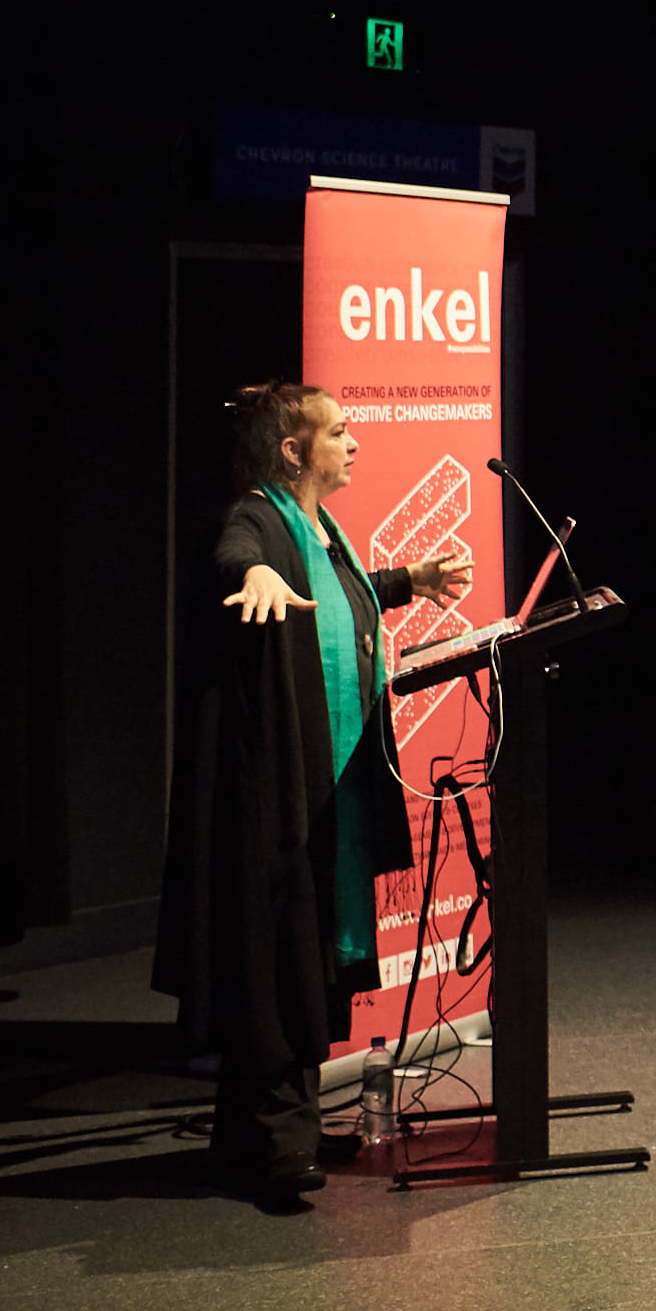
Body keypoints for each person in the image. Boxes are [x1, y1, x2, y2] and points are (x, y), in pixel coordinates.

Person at [155, 383, 477, 1205]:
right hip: (276, 800)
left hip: (324, 788)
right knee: (277, 964)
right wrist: (254, 575)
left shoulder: (320, 529)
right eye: (338, 432)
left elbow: (337, 599)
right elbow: (236, 554)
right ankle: (277, 1149)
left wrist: (409, 578)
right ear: (294, 451)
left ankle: (253, 1138)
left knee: (300, 962)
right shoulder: (261, 520)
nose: (353, 443)